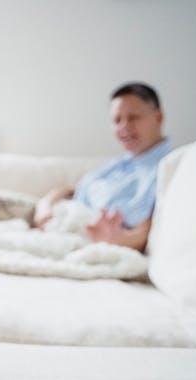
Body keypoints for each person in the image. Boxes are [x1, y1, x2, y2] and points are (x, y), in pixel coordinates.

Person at [33, 82, 172, 252]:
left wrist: (111, 240)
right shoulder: (118, 164)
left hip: (94, 241)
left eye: (133, 117)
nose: (124, 126)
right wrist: (46, 205)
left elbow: (144, 234)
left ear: (158, 118)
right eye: (117, 120)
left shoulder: (167, 168)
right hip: (63, 222)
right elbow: (72, 190)